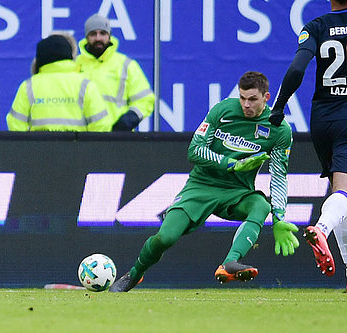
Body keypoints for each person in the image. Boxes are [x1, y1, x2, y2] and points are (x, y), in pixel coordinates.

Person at [110, 71, 298, 292]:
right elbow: (194, 150)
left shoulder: (280, 130)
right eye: (242, 98)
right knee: (165, 238)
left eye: (253, 99)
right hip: (201, 185)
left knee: (261, 205)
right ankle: (134, 273)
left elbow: (278, 175)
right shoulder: (223, 111)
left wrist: (279, 218)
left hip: (237, 192)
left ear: (266, 97)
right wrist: (231, 164)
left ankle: (230, 263)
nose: (246, 104)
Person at [269, 0, 347, 279]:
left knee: (340, 193)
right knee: (342, 193)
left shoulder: (315, 27)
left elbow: (298, 69)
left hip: (322, 117)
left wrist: (278, 107)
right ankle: (321, 228)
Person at [7, 34, 112, 132]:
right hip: (78, 150)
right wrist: (86, 149)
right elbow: (102, 124)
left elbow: (15, 124)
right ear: (69, 55)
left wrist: (30, 148)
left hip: (38, 150)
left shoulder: (29, 86)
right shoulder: (85, 85)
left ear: (40, 59)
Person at [76, 14, 155, 131]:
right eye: (93, 34)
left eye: (102, 33)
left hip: (118, 137)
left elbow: (145, 99)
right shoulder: (75, 64)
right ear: (86, 37)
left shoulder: (126, 65)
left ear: (109, 36)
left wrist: (129, 119)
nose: (98, 38)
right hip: (83, 136)